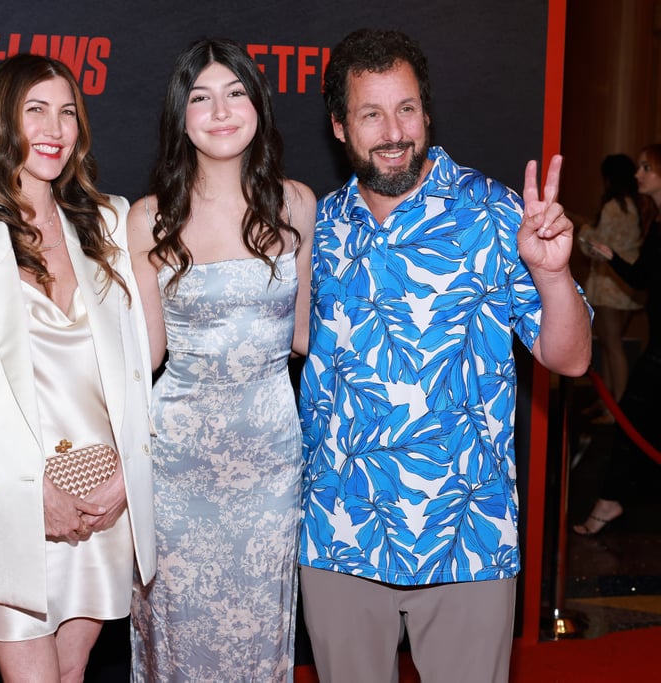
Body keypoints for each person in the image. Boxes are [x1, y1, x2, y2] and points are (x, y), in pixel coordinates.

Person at [297, 28, 592, 683]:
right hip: (338, 534)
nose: (393, 130)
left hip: (468, 542)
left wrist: (552, 271)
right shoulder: (318, 227)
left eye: (406, 109)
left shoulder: (493, 213)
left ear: (427, 115)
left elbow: (569, 358)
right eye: (371, 114)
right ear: (341, 128)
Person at [0, 53, 155, 683]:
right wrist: (33, 493)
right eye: (36, 111)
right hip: (12, 500)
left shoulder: (110, 220)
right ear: (2, 122)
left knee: (71, 669)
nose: (54, 128)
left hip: (104, 496)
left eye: (67, 112)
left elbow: (140, 365)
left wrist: (127, 477)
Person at [127, 38, 316, 681]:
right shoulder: (148, 219)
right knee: (177, 633)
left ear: (258, 105)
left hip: (270, 460)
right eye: (201, 97)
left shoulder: (295, 204)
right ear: (181, 116)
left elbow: (305, 339)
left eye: (236, 93)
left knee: (261, 631)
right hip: (177, 464)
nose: (221, 111)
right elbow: (146, 354)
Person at [574, 143, 661, 536]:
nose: (638, 174)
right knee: (637, 421)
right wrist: (612, 257)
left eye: (646, 167)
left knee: (633, 420)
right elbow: (644, 280)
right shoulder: (655, 222)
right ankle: (612, 501)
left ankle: (610, 501)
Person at [576, 153, 649, 422]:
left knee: (612, 346)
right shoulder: (637, 205)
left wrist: (582, 232)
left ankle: (616, 407)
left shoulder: (613, 206)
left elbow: (598, 247)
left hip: (609, 285)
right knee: (609, 345)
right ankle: (608, 401)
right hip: (625, 287)